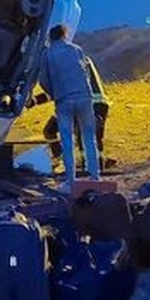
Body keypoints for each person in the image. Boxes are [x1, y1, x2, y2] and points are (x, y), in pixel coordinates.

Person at [39, 24, 100, 188]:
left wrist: (55, 92)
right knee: (89, 137)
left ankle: (71, 180)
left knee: (67, 140)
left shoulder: (48, 54)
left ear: (51, 38)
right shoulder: (76, 49)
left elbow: (43, 80)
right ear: (64, 35)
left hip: (64, 99)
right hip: (84, 97)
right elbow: (85, 73)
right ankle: (95, 176)